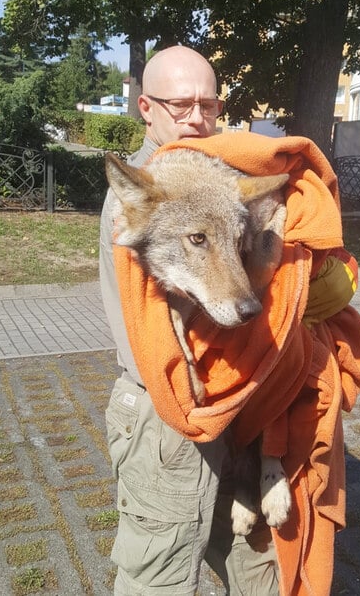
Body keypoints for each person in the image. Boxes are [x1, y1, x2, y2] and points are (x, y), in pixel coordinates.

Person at [99, 46, 280, 595]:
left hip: (235, 404)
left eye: (209, 103)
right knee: (160, 576)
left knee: (258, 563)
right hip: (164, 416)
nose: (198, 118)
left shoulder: (223, 180)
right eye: (181, 105)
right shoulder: (139, 195)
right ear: (146, 107)